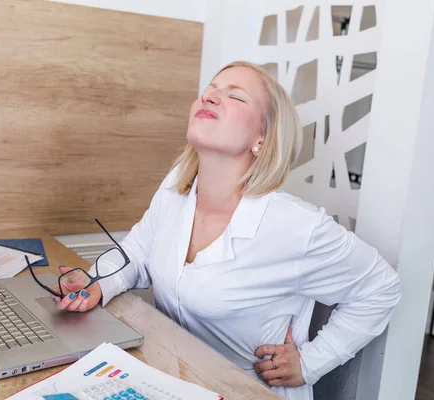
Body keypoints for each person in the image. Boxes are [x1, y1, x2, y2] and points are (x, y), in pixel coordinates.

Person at [48, 61, 403, 399]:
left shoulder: (295, 226)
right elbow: (139, 252)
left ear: (262, 139)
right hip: (172, 377)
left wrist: (311, 362)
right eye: (209, 90)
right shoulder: (178, 186)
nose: (210, 96)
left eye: (234, 96)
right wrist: (97, 283)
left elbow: (382, 287)